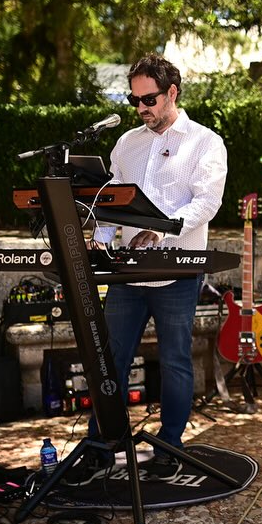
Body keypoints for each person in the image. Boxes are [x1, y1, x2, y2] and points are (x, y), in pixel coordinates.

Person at [65, 53, 228, 485]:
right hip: (125, 274)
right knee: (110, 360)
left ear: (172, 92)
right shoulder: (127, 144)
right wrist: (95, 242)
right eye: (135, 100)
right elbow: (111, 202)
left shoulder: (205, 142)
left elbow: (206, 202)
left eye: (149, 99)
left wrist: (162, 232)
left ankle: (170, 445)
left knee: (175, 360)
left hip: (176, 272)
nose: (141, 109)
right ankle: (103, 444)